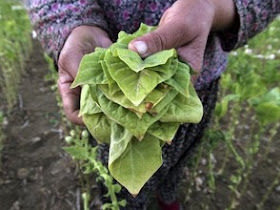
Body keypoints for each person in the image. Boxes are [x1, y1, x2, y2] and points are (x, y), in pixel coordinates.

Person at [25, 0, 280, 209]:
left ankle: (167, 196)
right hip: (114, 103)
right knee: (122, 188)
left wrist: (215, 6)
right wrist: (73, 25)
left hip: (189, 83)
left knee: (180, 157)